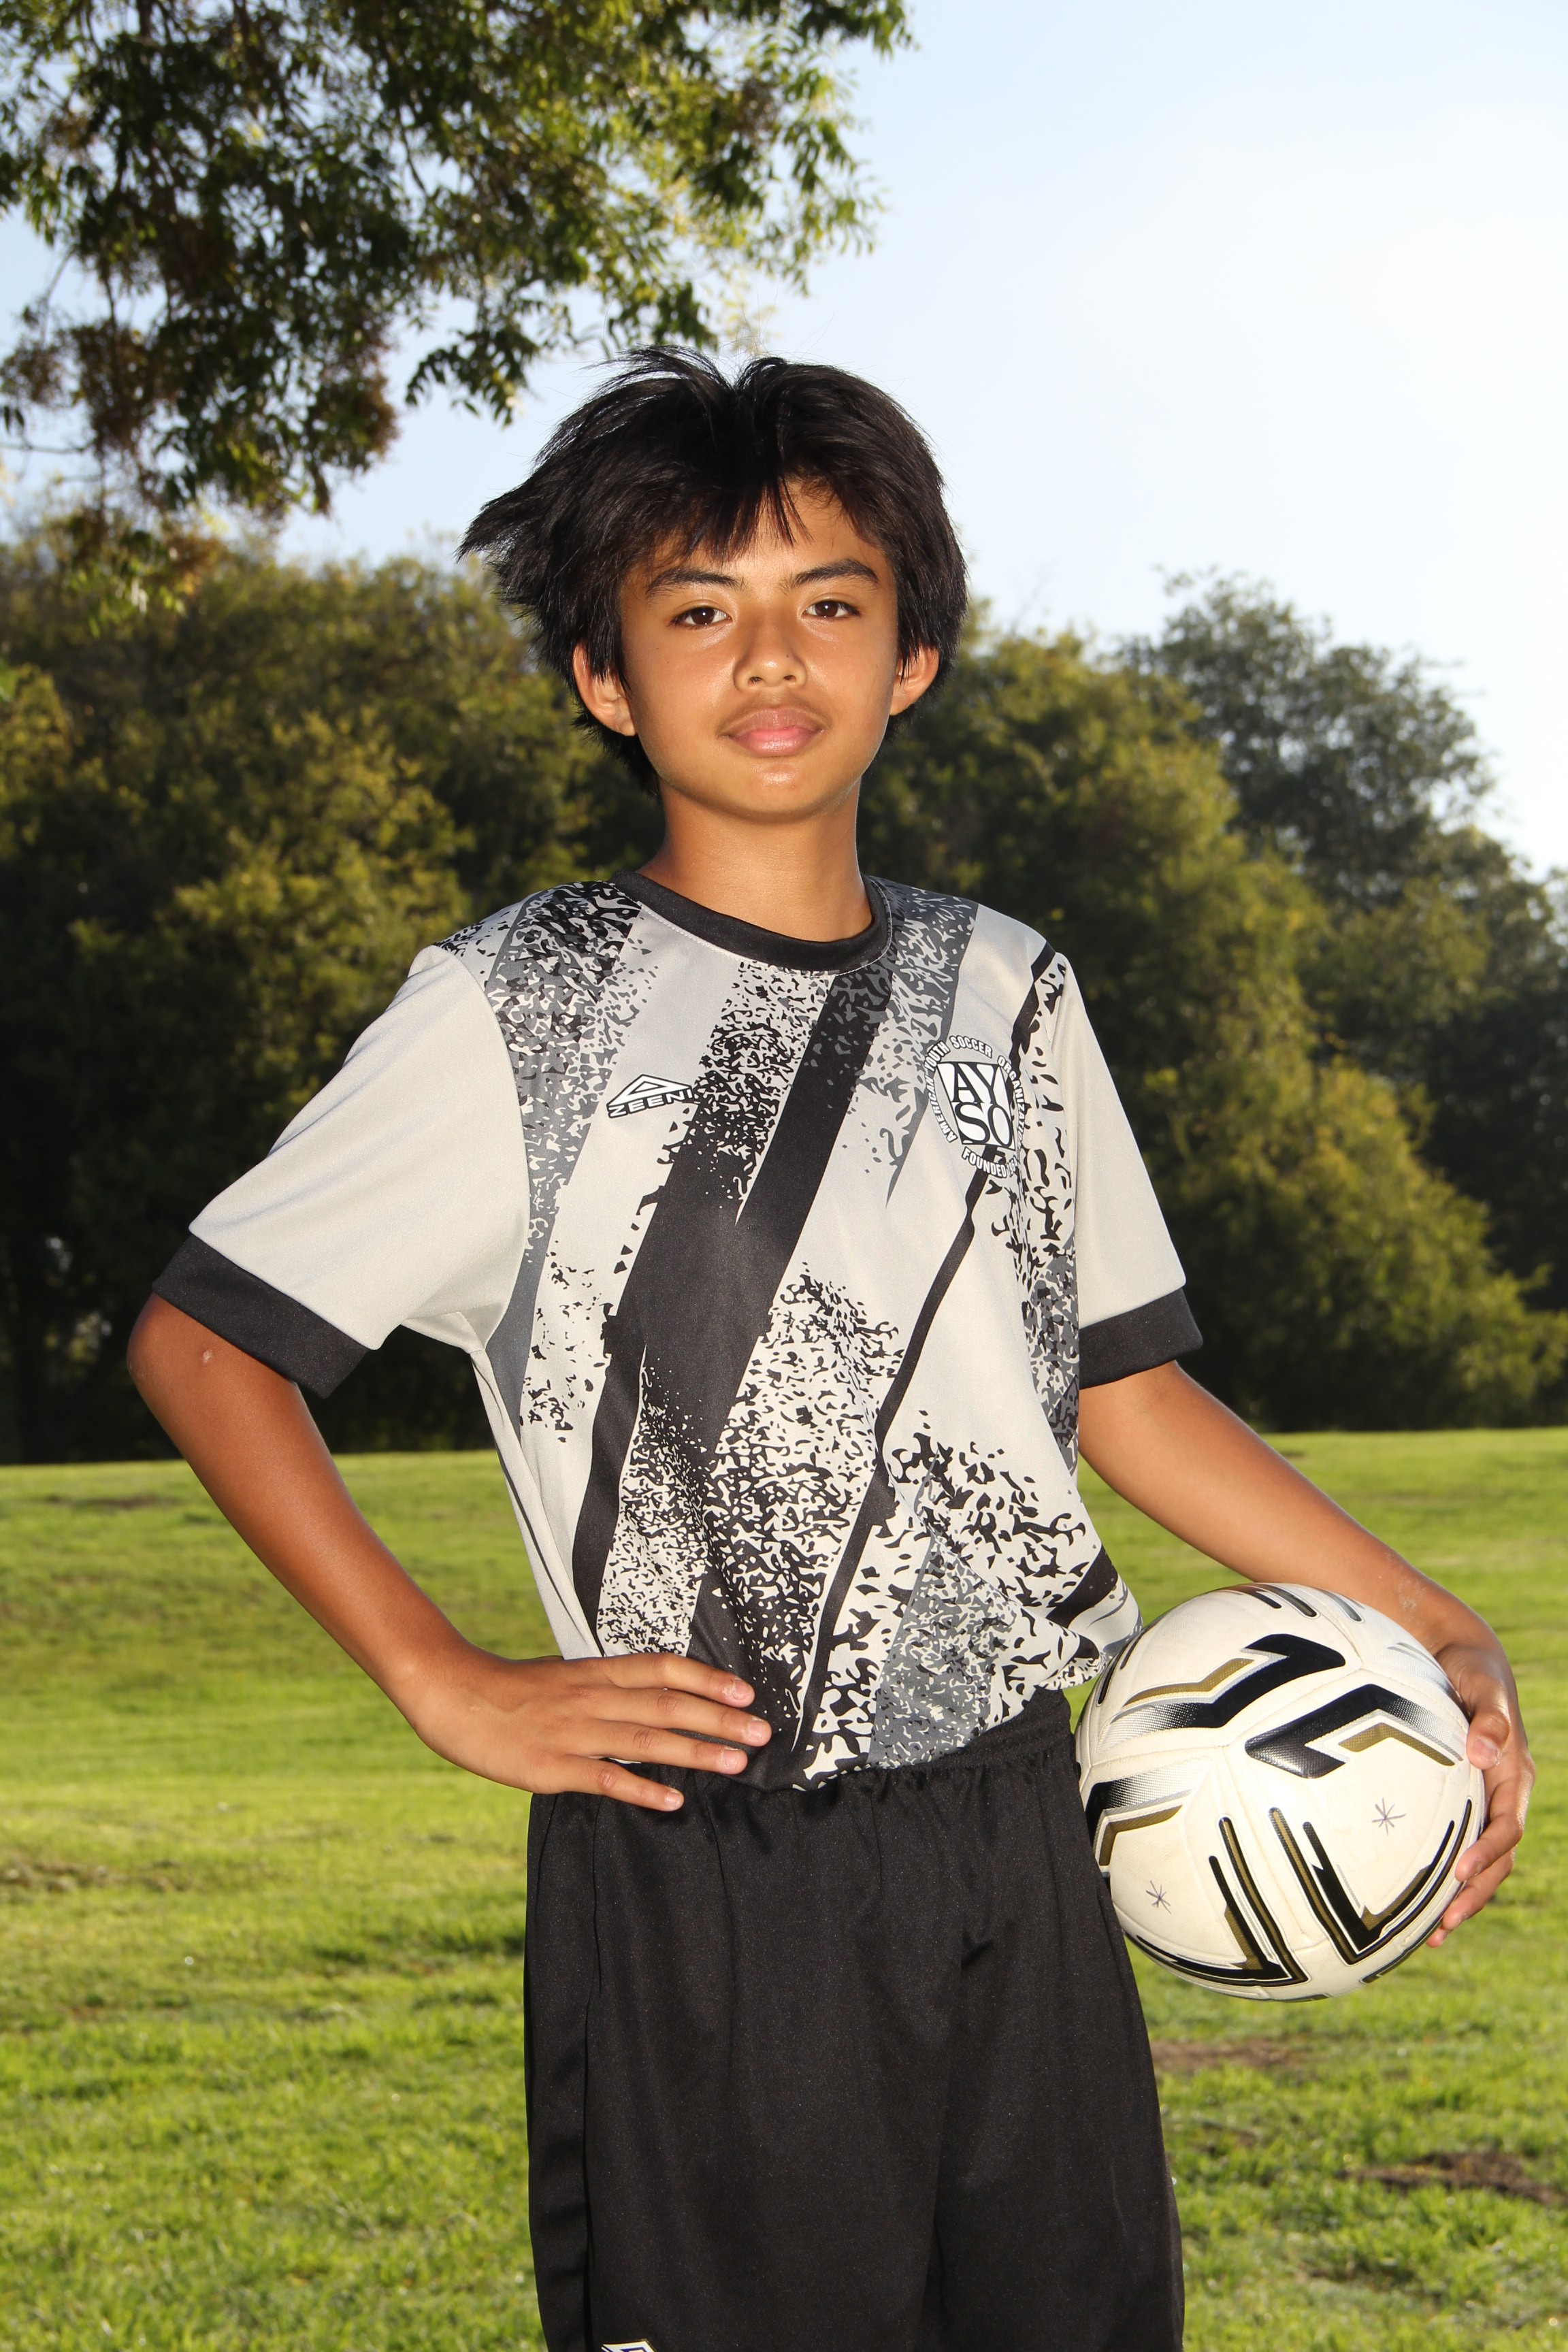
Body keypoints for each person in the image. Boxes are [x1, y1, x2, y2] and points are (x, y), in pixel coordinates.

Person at [129, 349, 1532, 2352]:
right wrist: (443, 1678)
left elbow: (1121, 1392)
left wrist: (1432, 1621)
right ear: (607, 676)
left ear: (912, 658)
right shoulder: (517, 1009)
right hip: (716, 1854)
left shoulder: (1011, 992)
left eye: (830, 603)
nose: (770, 656)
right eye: (700, 609)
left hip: (1029, 1822)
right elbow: (206, 1343)